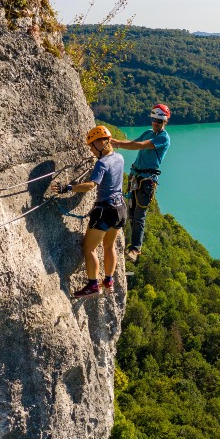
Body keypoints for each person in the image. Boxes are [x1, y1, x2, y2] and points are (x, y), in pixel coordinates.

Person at [60, 125, 127, 298]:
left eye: (91, 145)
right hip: (120, 209)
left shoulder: (102, 163)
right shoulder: (119, 158)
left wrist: (68, 188)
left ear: (101, 142)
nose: (90, 149)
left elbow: (91, 185)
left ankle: (92, 285)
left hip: (105, 210)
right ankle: (109, 281)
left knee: (89, 248)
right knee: (109, 245)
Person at [110, 103, 171, 261]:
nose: (155, 123)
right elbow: (133, 142)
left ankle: (135, 249)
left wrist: (116, 143)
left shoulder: (163, 138)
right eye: (153, 120)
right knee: (131, 213)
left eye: (159, 121)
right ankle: (130, 244)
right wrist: (117, 145)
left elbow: (141, 145)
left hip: (146, 181)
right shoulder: (148, 132)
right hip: (135, 177)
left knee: (139, 215)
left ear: (165, 122)